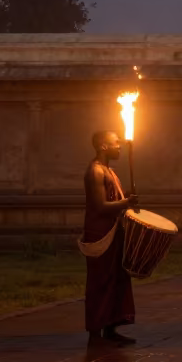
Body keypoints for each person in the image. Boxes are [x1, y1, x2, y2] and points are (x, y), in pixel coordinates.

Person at [80, 130, 138, 345]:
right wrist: (127, 203)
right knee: (101, 281)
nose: (119, 146)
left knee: (116, 279)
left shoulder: (109, 171)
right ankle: (96, 333)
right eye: (115, 143)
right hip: (101, 232)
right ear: (103, 146)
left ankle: (110, 328)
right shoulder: (95, 171)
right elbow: (100, 206)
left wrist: (127, 205)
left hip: (114, 230)